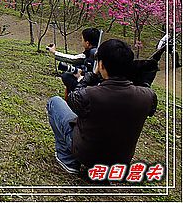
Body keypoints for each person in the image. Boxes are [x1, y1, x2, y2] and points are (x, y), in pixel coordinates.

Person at [46, 39, 157, 175]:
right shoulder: (148, 96)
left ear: (101, 65)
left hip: (88, 156)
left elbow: (73, 97)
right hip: (120, 161)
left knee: (55, 102)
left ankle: (68, 161)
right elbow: (149, 108)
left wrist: (92, 75)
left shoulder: (89, 95)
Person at [48, 28, 101, 94]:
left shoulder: (90, 53)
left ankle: (76, 95)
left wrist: (54, 52)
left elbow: (72, 59)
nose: (81, 41)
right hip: (98, 86)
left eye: (82, 39)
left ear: (87, 43)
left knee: (66, 76)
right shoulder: (99, 52)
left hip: (90, 88)